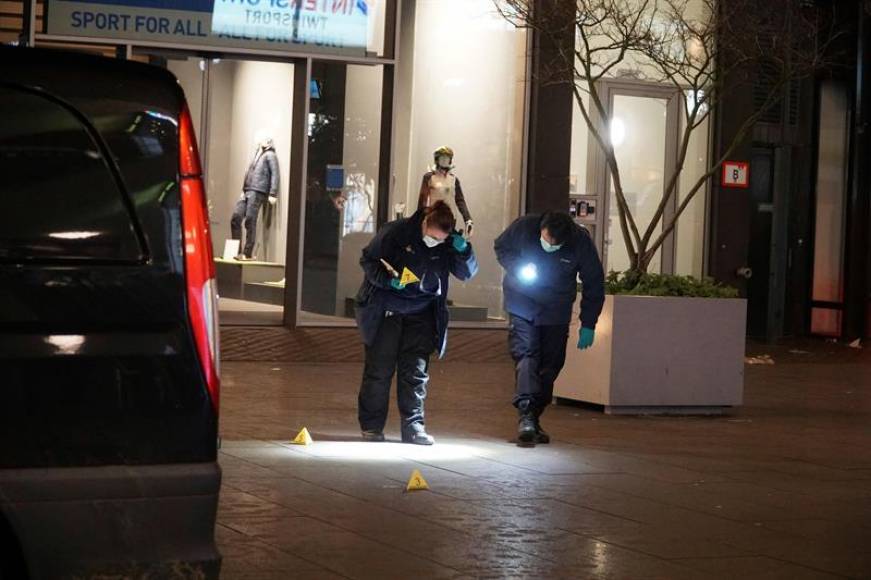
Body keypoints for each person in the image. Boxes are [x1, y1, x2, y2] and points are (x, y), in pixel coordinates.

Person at [355, 201, 478, 445]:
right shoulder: (396, 232)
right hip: (388, 309)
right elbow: (368, 260)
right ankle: (371, 426)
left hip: (423, 312)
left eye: (440, 240)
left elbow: (466, 273)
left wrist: (465, 251)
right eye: (431, 237)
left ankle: (413, 426)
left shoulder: (448, 243)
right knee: (379, 371)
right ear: (424, 223)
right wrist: (388, 281)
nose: (434, 242)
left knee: (415, 373)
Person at [494, 210, 605, 446]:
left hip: (556, 308)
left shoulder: (580, 241)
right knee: (527, 355)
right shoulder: (524, 227)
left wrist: (588, 323)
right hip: (522, 302)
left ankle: (534, 418)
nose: (549, 247)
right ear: (541, 230)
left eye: (555, 245)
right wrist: (518, 266)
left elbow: (594, 282)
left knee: (551, 364)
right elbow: (501, 247)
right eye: (546, 241)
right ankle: (525, 414)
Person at [230, 137, 279, 260]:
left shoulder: (270, 155)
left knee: (250, 220)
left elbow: (275, 173)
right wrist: (243, 189)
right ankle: (236, 251)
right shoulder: (257, 153)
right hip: (247, 190)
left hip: (257, 191)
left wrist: (273, 193)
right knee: (236, 217)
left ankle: (247, 252)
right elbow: (249, 172)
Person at [417, 146, 474, 238]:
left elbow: (460, 201)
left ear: (450, 160)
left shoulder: (454, 179)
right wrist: (418, 220)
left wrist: (468, 219)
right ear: (437, 160)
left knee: (448, 242)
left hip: (450, 218)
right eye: (442, 158)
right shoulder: (429, 177)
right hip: (434, 218)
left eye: (447, 158)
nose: (444, 161)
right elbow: (422, 201)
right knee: (433, 242)